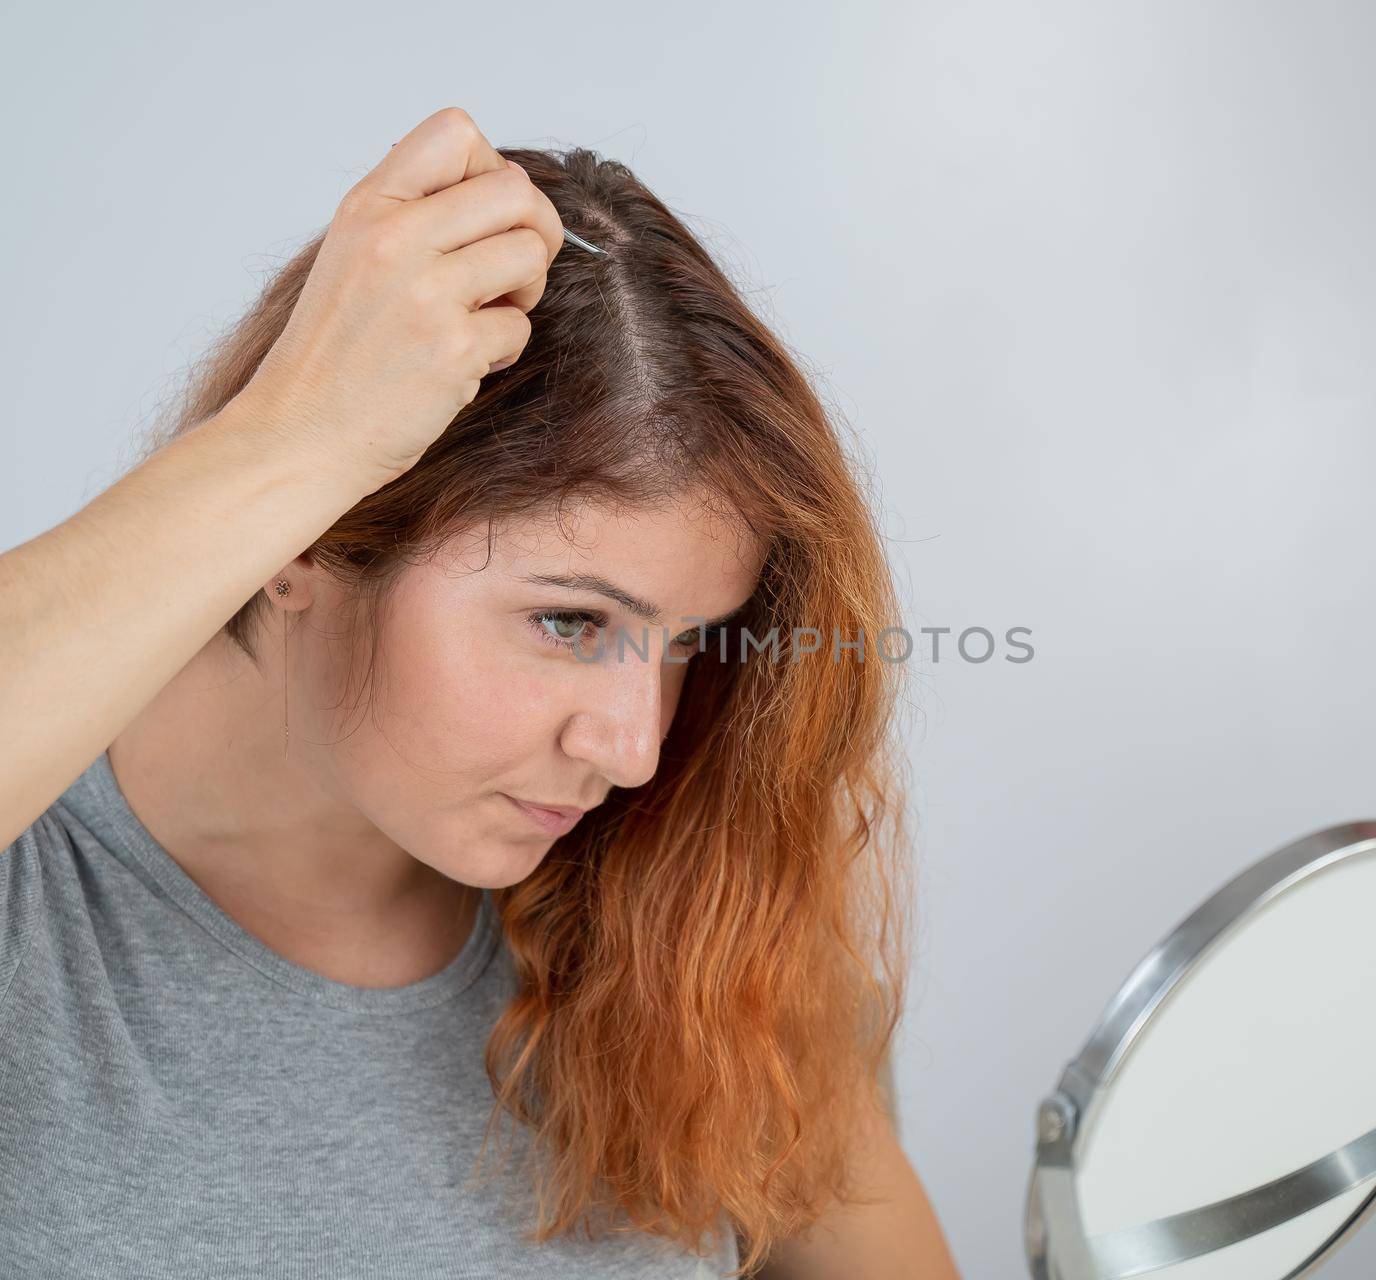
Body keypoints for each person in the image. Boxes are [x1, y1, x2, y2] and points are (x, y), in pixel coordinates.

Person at [0, 108, 962, 1278]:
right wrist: (288, 436)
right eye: (570, 620)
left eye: (684, 643)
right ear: (309, 538)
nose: (633, 748)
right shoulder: (39, 904)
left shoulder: (692, 916)